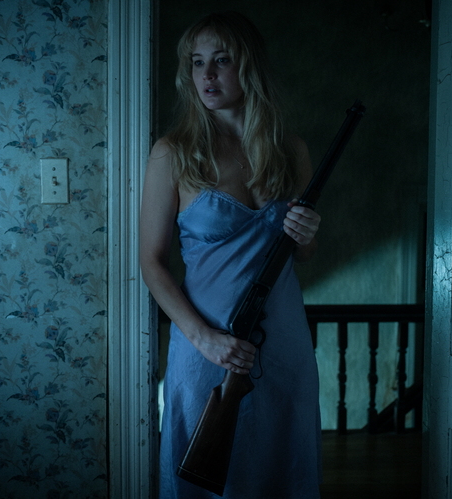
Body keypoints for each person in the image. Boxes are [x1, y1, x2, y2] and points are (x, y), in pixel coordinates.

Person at [140, 11, 322, 499]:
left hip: (282, 342)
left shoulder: (291, 150)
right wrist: (205, 340)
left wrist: (307, 232)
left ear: (248, 67)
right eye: (197, 62)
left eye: (221, 60)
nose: (207, 74)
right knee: (203, 481)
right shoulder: (173, 153)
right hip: (206, 344)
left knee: (283, 473)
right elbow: (151, 263)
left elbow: (304, 253)